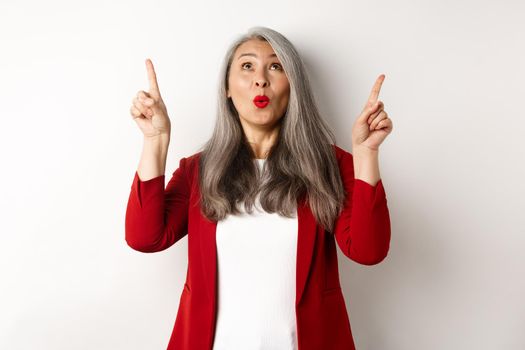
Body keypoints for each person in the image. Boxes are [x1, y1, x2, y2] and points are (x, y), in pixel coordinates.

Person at [125, 26, 393, 350]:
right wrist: (155, 140)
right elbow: (145, 237)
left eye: (276, 67)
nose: (261, 79)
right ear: (227, 87)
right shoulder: (199, 170)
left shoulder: (331, 165)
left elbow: (368, 250)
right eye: (247, 66)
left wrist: (367, 155)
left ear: (293, 85)